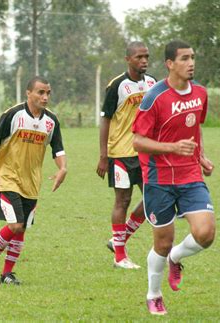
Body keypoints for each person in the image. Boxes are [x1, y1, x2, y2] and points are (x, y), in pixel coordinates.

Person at [132, 40, 215, 315]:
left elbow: (195, 131)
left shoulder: (201, 93)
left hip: (190, 175)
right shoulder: (154, 97)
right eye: (184, 58)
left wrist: (200, 156)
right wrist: (172, 148)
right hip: (159, 179)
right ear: (170, 64)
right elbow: (138, 141)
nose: (190, 63)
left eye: (192, 57)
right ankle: (153, 294)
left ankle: (176, 258)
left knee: (206, 233)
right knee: (162, 243)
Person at [0, 76, 67, 285]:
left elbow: (57, 150)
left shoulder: (51, 121)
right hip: (8, 177)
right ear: (28, 93)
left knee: (22, 229)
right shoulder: (13, 114)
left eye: (48, 93)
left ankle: (8, 273)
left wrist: (62, 168)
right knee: (15, 224)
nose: (45, 97)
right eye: (40, 92)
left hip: (32, 183)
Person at [96, 41, 157, 269]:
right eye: (140, 57)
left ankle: (118, 240)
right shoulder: (117, 86)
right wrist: (104, 155)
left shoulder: (152, 83)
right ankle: (120, 256)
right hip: (120, 153)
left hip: (145, 151)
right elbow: (105, 119)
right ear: (128, 59)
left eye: (146, 57)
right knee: (122, 200)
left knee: (153, 198)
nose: (144, 61)